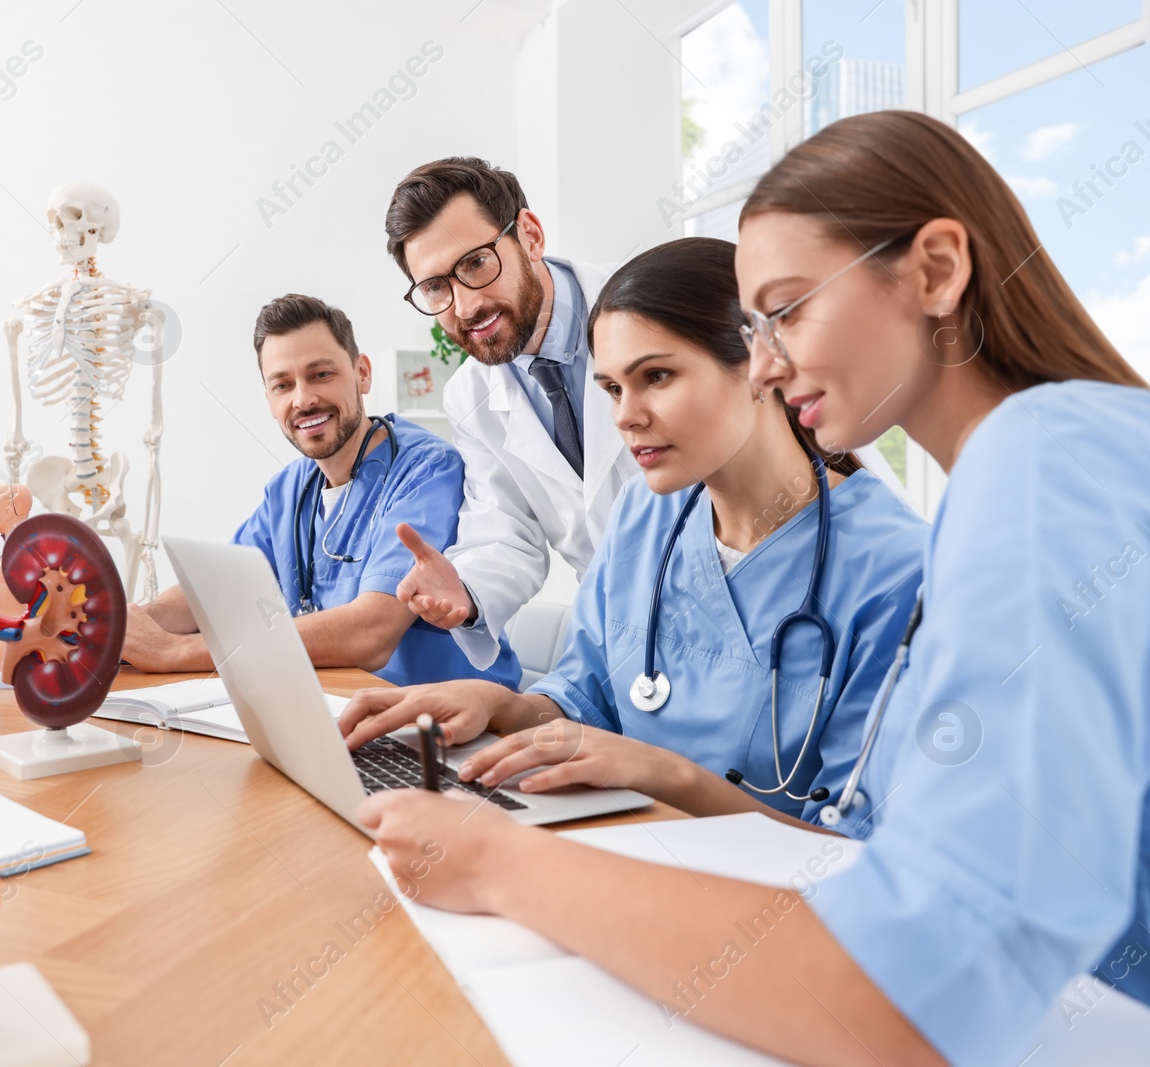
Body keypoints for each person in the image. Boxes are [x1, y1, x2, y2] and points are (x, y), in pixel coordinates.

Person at [360, 110, 1150, 1067]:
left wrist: (503, 865)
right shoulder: (1053, 463)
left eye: (787, 311)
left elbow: (919, 990)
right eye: (755, 324)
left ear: (937, 271)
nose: (767, 361)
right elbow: (889, 867)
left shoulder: (1042, 469)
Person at [340, 237, 925, 823]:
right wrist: (501, 706)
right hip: (612, 847)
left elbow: (858, 847)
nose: (625, 416)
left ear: (762, 364)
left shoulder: (902, 572)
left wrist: (660, 772)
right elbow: (584, 699)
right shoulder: (643, 515)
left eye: (658, 376)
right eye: (614, 389)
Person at [382, 157, 904, 673]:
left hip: (768, 592)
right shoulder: (470, 394)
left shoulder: (654, 307)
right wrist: (466, 590)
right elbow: (505, 531)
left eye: (475, 263)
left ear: (531, 236)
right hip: (633, 637)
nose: (464, 303)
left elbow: (811, 436)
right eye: (434, 287)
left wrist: (885, 552)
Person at [122, 293, 520, 688]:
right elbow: (215, 595)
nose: (303, 399)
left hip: (450, 726)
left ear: (362, 373)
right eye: (282, 385)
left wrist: (172, 653)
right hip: (342, 713)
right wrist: (122, 631)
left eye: (321, 374)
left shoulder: (427, 470)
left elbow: (371, 633)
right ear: (269, 400)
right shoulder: (289, 492)